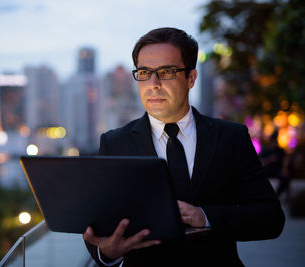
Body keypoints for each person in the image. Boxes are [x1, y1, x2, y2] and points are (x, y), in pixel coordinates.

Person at [83, 27, 285, 267]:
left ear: (191, 78)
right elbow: (97, 227)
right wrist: (106, 253)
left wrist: (206, 216)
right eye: (145, 72)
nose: (153, 84)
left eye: (166, 72)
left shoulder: (232, 137)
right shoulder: (114, 143)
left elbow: (271, 218)